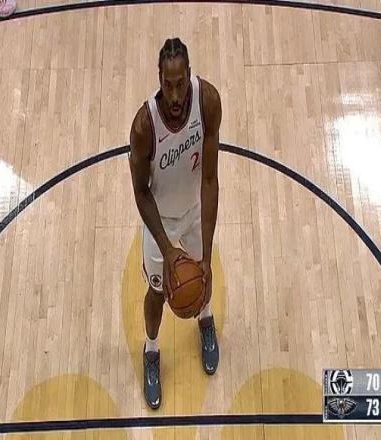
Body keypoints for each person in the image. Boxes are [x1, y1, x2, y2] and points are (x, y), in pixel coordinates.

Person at [129, 37, 222, 410]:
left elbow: (210, 180)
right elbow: (141, 193)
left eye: (180, 83)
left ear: (189, 75)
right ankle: (151, 350)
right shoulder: (144, 126)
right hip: (160, 223)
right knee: (157, 293)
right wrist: (167, 251)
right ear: (159, 79)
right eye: (167, 85)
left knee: (202, 275)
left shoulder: (208, 101)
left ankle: (205, 319)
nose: (174, 94)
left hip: (194, 210)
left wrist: (207, 256)